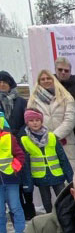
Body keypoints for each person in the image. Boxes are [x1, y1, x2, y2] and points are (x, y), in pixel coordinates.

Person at [19, 108, 73, 214]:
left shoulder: (52, 137)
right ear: (27, 123)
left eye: (37, 120)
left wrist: (70, 176)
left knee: (62, 200)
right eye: (31, 120)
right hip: (40, 177)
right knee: (47, 202)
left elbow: (62, 157)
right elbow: (26, 164)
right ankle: (50, 219)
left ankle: (64, 217)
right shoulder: (24, 140)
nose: (35, 123)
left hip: (57, 174)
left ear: (41, 121)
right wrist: (28, 183)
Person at [28, 70, 75, 171]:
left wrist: (53, 137)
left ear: (54, 80)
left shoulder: (66, 97)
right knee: (51, 179)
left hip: (66, 144)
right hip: (42, 144)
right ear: (38, 81)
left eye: (48, 78)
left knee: (70, 181)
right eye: (42, 79)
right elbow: (30, 121)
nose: (46, 81)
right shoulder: (32, 100)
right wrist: (43, 138)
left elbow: (69, 120)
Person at [0, 71, 34, 220]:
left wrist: (16, 135)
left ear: (10, 83)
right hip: (3, 147)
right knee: (10, 183)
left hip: (19, 142)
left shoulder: (21, 101)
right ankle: (14, 218)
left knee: (24, 179)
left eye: (5, 82)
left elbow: (26, 121)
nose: (2, 84)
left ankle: (29, 211)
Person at [0, 114, 28, 233]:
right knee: (0, 209)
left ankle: (20, 232)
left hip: (11, 179)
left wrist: (14, 168)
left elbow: (20, 155)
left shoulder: (9, 138)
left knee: (15, 206)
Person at [54, 56, 75, 165]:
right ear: (55, 70)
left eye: (66, 70)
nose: (63, 72)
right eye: (60, 70)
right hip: (54, 131)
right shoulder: (48, 87)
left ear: (70, 72)